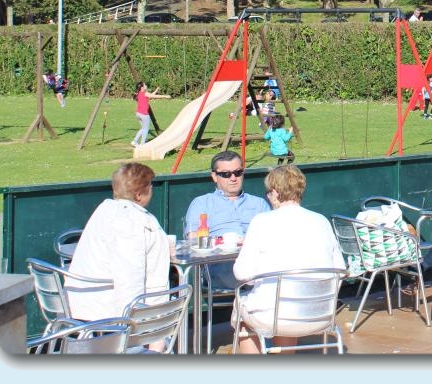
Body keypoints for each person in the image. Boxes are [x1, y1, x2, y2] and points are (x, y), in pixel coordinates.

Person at [232, 165, 345, 354]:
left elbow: (241, 273)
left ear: (275, 192)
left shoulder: (261, 221)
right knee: (283, 305)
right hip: (319, 315)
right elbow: (340, 269)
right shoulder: (321, 221)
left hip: (274, 315)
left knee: (244, 312)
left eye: (268, 193)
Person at [66, 163, 170, 350]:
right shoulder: (133, 222)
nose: (152, 190)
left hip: (82, 306)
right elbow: (129, 280)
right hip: (108, 315)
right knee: (162, 321)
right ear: (139, 194)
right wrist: (133, 326)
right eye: (150, 186)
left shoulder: (103, 211)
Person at [185, 151, 271, 288]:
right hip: (221, 273)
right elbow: (193, 240)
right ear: (214, 176)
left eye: (237, 172)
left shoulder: (259, 203)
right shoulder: (202, 203)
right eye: (226, 174)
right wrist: (224, 241)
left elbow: (272, 236)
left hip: (258, 274)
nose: (233, 178)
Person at [132, 81, 163, 147]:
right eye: (145, 85)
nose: (146, 86)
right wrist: (165, 96)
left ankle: (134, 141)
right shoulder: (145, 93)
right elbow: (154, 96)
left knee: (143, 128)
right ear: (142, 87)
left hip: (138, 114)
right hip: (144, 114)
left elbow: (151, 95)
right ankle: (142, 144)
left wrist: (156, 90)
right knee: (146, 129)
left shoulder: (139, 93)